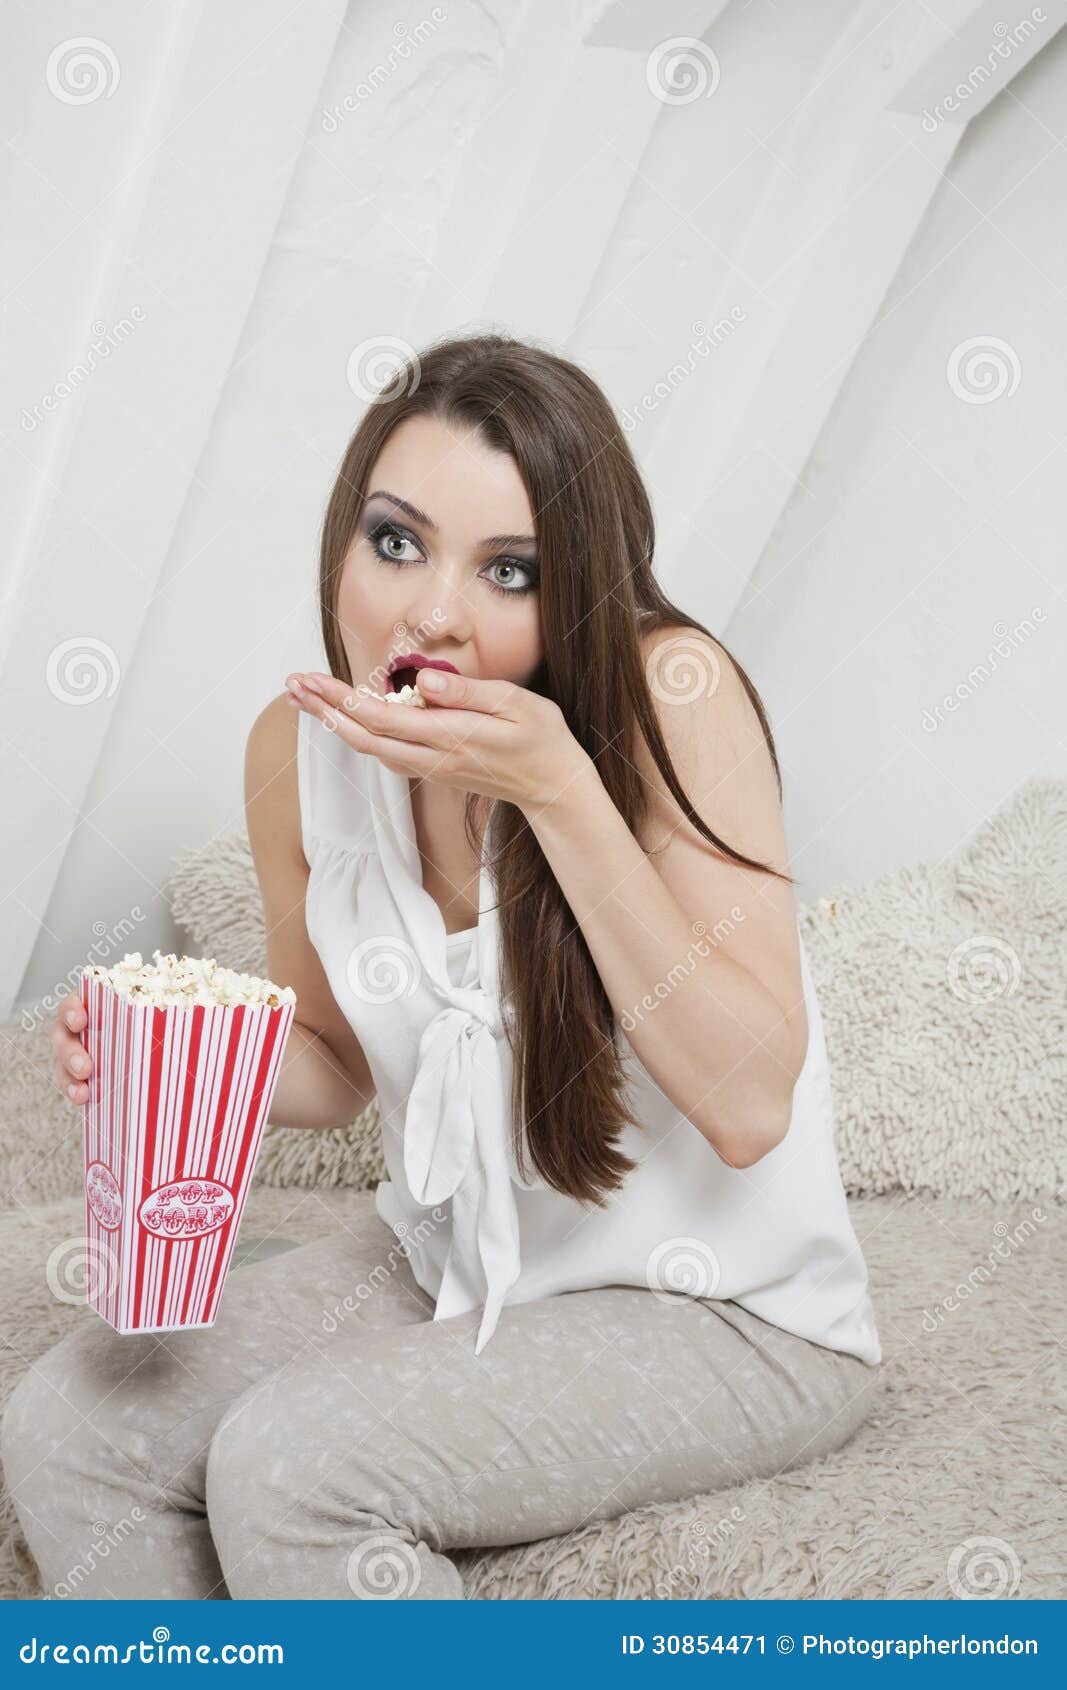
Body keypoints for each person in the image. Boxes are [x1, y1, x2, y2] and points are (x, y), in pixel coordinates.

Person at [5, 333, 881, 1600]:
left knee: (293, 1465)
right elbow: (340, 1062)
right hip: (451, 1261)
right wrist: (177, 1053)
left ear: (576, 587)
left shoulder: (669, 697)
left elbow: (749, 1105)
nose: (428, 614)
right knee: (72, 1420)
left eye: (508, 571)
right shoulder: (292, 753)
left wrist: (559, 795)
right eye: (396, 541)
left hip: (731, 1315)